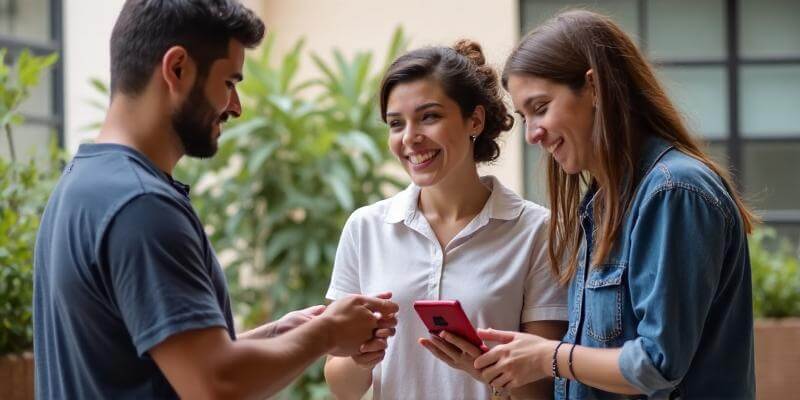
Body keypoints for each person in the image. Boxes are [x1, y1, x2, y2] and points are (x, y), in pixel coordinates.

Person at [33, 1, 397, 399]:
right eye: (229, 83)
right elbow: (214, 385)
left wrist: (285, 332)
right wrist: (325, 334)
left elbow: (176, 363)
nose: (236, 107)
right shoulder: (141, 206)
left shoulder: (85, 182)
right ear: (177, 69)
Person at [470, 9, 758, 399]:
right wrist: (506, 365)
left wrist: (547, 357)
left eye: (540, 107)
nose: (532, 135)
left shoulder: (674, 192)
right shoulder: (602, 205)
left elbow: (656, 364)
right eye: (524, 117)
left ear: (594, 88)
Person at [323, 40, 568, 400]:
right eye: (395, 123)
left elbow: (545, 391)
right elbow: (341, 387)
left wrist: (486, 369)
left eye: (429, 116)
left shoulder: (535, 231)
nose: (410, 138)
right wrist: (361, 359)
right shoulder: (366, 228)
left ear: (475, 120)